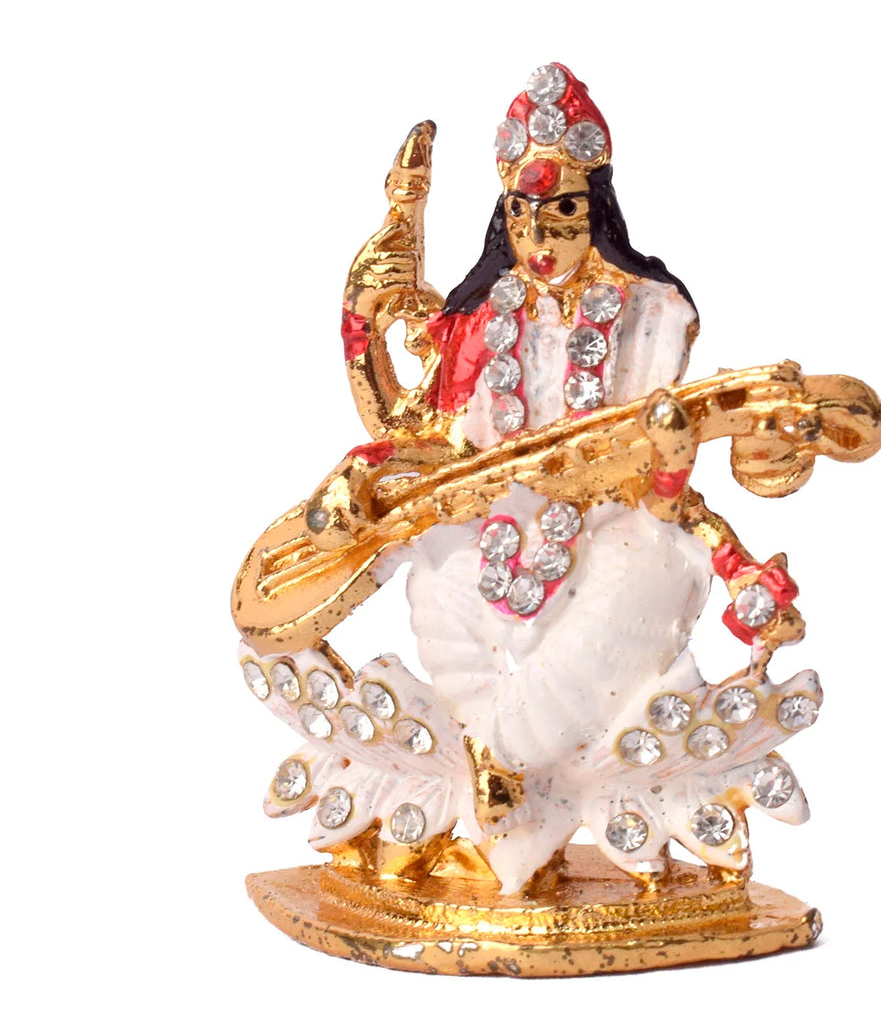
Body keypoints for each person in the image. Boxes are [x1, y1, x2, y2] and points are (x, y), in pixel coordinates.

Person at [246, 65, 820, 895]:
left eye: (564, 216)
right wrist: (359, 349)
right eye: (521, 216)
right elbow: (431, 443)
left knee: (643, 570)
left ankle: (500, 773)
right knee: (440, 568)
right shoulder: (484, 316)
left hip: (614, 528)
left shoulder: (652, 314)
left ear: (599, 214)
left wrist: (675, 471)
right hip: (495, 525)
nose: (541, 239)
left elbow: (661, 493)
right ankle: (508, 783)